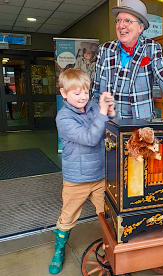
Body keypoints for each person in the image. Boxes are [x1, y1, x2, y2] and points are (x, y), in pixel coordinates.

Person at [48, 68, 115, 274]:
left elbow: (111, 124)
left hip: (100, 174)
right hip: (76, 179)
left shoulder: (94, 106)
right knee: (68, 217)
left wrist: (110, 111)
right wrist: (103, 114)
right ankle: (59, 250)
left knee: (107, 215)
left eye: (86, 92)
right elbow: (90, 138)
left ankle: (110, 249)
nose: (83, 97)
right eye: (76, 93)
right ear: (63, 93)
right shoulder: (63, 118)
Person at [92, 0, 163, 119]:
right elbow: (96, 88)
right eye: (119, 20)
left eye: (127, 21)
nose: (121, 25)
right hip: (109, 122)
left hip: (141, 122)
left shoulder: (151, 48)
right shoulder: (105, 50)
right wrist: (93, 116)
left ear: (140, 27)